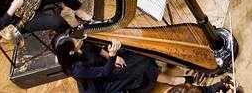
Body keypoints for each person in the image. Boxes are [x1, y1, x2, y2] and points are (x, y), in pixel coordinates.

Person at [53, 34, 186, 93]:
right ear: (71, 52)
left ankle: (162, 73)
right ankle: (173, 80)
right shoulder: (78, 70)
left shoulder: (80, 42)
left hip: (107, 64)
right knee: (141, 68)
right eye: (75, 41)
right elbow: (104, 73)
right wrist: (112, 56)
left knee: (137, 54)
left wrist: (113, 57)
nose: (77, 39)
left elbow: (97, 50)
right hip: (103, 82)